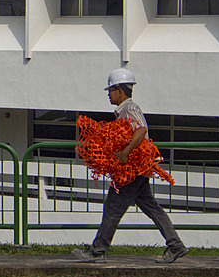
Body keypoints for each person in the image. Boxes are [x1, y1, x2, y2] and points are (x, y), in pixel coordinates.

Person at [71, 68, 189, 264]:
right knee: (152, 208)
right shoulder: (123, 111)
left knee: (112, 208)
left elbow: (141, 129)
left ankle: (97, 251)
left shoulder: (130, 108)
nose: (108, 94)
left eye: (111, 90)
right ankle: (176, 245)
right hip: (137, 171)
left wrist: (125, 152)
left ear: (120, 90)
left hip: (131, 171)